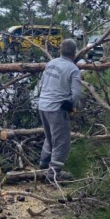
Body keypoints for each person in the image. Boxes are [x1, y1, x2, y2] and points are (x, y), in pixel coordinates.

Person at [37, 38, 81, 183]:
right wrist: (70, 108)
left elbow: (41, 84)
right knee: (62, 142)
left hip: (43, 105)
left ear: (60, 50)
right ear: (74, 53)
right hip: (57, 109)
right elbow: (75, 94)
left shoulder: (51, 63)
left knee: (50, 138)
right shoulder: (73, 69)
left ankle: (43, 165)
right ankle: (53, 175)